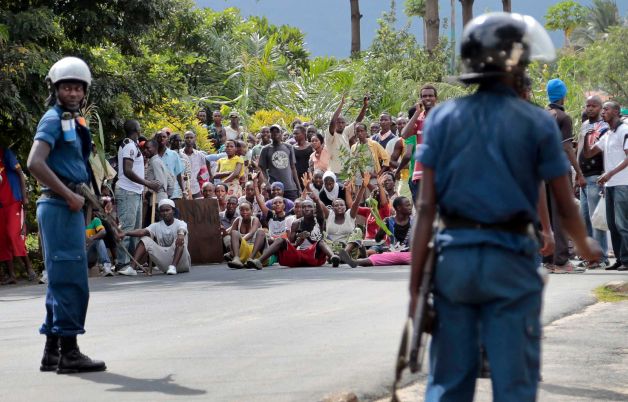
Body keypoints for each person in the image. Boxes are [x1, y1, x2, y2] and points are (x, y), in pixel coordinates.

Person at [407, 14, 600, 402]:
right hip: (510, 259)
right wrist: (585, 245)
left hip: (454, 260)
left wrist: (415, 287)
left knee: (447, 382)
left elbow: (426, 208)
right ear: (518, 64)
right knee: (514, 382)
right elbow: (564, 204)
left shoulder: (442, 118)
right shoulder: (536, 123)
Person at [27, 56, 106, 374]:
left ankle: (52, 352)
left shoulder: (74, 121)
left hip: (69, 205)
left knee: (60, 280)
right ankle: (70, 353)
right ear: (55, 89)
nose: (72, 93)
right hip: (59, 206)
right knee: (71, 280)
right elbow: (35, 162)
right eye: (66, 87)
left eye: (77, 87)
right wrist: (68, 193)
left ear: (84, 91)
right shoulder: (52, 119)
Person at [545, 78, 586, 273]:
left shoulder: (542, 114)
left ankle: (548, 259)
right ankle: (561, 261)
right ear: (563, 95)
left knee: (546, 215)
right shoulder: (563, 117)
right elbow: (567, 148)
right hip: (557, 171)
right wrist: (579, 173)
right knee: (561, 214)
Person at [582, 101, 628, 271]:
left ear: (616, 111)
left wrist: (610, 173)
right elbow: (589, 153)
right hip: (610, 185)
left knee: (622, 224)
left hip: (623, 183)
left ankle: (627, 260)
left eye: (606, 109)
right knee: (613, 225)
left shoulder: (624, 130)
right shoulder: (608, 134)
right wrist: (587, 137)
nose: (603, 112)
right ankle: (619, 259)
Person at [115, 121, 160, 275]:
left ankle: (132, 264)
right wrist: (147, 182)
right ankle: (122, 263)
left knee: (135, 231)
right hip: (127, 191)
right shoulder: (128, 145)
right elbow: (127, 171)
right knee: (127, 229)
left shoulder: (134, 145)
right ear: (136, 129)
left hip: (135, 192)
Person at [247, 199, 338, 269]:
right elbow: (292, 244)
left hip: (313, 256)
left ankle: (333, 257)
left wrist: (316, 199)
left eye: (309, 206)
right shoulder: (296, 223)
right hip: (298, 255)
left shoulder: (319, 220)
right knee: (280, 240)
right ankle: (259, 261)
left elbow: (321, 213)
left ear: (314, 209)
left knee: (320, 242)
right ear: (300, 210)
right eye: (304, 207)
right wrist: (300, 239)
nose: (306, 208)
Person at [576, 96, 610, 269]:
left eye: (593, 106)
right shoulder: (584, 125)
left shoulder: (604, 127)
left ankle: (601, 256)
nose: (589, 109)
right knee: (585, 219)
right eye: (587, 106)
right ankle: (590, 255)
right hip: (583, 177)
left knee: (595, 218)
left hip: (595, 176)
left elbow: (606, 152)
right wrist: (577, 173)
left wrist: (605, 174)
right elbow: (580, 149)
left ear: (600, 108)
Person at [118, 199, 190, 276]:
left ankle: (173, 266)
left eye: (167, 210)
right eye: (162, 211)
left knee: (180, 238)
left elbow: (182, 229)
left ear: (173, 211)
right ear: (159, 213)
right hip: (165, 265)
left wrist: (181, 234)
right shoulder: (156, 225)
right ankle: (132, 268)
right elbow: (142, 232)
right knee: (145, 240)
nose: (165, 213)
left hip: (181, 263)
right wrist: (125, 233)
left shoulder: (180, 223)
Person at [340, 196, 413, 267]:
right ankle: (353, 261)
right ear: (398, 208)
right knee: (375, 257)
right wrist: (382, 229)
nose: (410, 207)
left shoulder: (414, 221)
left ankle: (361, 255)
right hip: (393, 254)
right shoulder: (388, 221)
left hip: (409, 254)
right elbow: (378, 239)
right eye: (408, 205)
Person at [0, 146, 37, 284]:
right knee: (2, 239)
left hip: (13, 201)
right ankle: (12, 275)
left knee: (13, 235)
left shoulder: (5, 154)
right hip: (1, 206)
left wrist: (25, 196)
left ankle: (29, 268)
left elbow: (20, 173)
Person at [312, 172, 368, 254]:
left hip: (349, 250)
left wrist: (363, 187)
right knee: (322, 236)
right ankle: (335, 257)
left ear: (345, 207)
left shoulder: (350, 214)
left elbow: (356, 202)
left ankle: (344, 254)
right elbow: (318, 201)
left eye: (341, 205)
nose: (339, 207)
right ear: (332, 208)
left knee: (357, 230)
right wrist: (308, 188)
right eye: (336, 205)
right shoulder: (329, 214)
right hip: (333, 249)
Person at [327, 95, 369, 175]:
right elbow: (332, 121)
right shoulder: (330, 134)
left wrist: (365, 105)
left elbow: (358, 121)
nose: (340, 124)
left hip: (347, 172)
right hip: (335, 172)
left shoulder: (345, 131)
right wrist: (341, 104)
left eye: (343, 122)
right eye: (338, 122)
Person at [258, 124, 301, 200]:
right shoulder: (265, 149)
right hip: (275, 189)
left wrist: (298, 187)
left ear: (281, 133)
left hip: (290, 187)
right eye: (272, 132)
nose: (275, 134)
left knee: (292, 210)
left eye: (277, 132)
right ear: (270, 135)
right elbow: (262, 169)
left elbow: (293, 168)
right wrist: (267, 183)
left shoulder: (289, 147)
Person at [350, 123, 390, 187]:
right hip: (358, 182)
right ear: (355, 133)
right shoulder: (354, 147)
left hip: (373, 181)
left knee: (372, 196)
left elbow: (386, 159)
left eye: (362, 131)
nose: (360, 133)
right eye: (357, 131)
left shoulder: (374, 144)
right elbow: (352, 166)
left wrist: (378, 174)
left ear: (366, 132)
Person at [226, 201, 262, 268]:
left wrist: (240, 240)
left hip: (253, 249)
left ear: (251, 210)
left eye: (247, 210)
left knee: (235, 236)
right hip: (242, 250)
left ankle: (232, 255)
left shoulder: (255, 219)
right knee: (233, 233)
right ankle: (236, 259)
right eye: (242, 210)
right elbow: (231, 233)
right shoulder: (238, 220)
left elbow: (251, 234)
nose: (244, 212)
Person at [179, 131, 210, 199]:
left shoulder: (199, 155)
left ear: (195, 139)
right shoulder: (179, 154)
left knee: (197, 208)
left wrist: (201, 177)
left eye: (191, 137)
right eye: (187, 138)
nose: (189, 139)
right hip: (181, 189)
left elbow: (211, 168)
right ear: (184, 139)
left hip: (195, 188)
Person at [155, 130, 185, 200]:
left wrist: (183, 191)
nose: (162, 138)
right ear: (155, 139)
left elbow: (179, 175)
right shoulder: (152, 155)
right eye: (159, 137)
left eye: (164, 137)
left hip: (174, 194)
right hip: (157, 194)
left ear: (167, 139)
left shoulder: (174, 154)